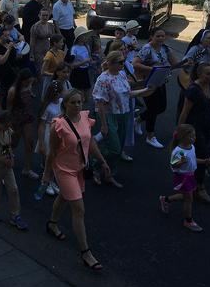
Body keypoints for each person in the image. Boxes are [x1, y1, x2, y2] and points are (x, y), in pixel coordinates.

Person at [45, 89, 109, 270]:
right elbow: (53, 152)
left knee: (64, 197)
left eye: (80, 102)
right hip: (64, 170)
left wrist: (102, 161)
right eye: (73, 102)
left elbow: (90, 143)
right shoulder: (58, 125)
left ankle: (52, 223)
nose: (78, 105)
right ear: (65, 104)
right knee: (79, 209)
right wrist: (47, 175)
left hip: (80, 168)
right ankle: (85, 253)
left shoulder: (84, 117)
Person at [92, 51, 153, 187]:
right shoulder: (103, 79)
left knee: (118, 150)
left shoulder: (121, 74)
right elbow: (100, 103)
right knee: (114, 147)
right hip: (110, 115)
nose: (123, 64)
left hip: (123, 114)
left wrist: (145, 91)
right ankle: (96, 165)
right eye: (120, 62)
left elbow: (127, 94)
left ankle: (110, 174)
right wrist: (103, 125)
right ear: (111, 63)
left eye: (123, 61)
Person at [134, 28, 189, 149]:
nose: (161, 39)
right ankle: (150, 136)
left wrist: (186, 63)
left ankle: (138, 119)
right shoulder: (147, 49)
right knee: (153, 109)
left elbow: (174, 64)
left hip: (161, 82)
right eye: (158, 36)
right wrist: (153, 69)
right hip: (149, 82)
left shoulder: (165, 48)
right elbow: (135, 63)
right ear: (152, 36)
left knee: (161, 107)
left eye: (163, 36)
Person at [177, 62, 210, 203]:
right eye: (208, 73)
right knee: (202, 154)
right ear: (200, 74)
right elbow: (184, 111)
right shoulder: (194, 90)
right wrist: (179, 130)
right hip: (195, 128)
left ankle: (194, 182)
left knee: (206, 153)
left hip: (207, 126)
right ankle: (200, 187)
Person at [0, 111, 29, 230]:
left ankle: (15, 215)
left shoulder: (6, 130)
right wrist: (1, 159)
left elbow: (6, 146)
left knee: (13, 189)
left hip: (6, 164)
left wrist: (10, 157)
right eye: (6, 125)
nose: (8, 128)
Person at [159, 124, 210, 232]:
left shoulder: (191, 147)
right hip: (183, 177)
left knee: (185, 196)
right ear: (182, 137)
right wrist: (181, 162)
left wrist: (203, 161)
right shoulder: (178, 151)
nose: (194, 138)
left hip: (190, 175)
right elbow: (173, 165)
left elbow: (193, 158)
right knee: (189, 199)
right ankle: (188, 220)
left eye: (194, 136)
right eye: (191, 136)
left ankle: (165, 199)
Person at [34, 80, 64, 200]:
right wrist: (41, 142)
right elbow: (41, 125)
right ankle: (46, 182)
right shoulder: (48, 107)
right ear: (56, 94)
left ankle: (51, 181)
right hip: (48, 133)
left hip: (59, 132)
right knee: (49, 160)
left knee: (56, 159)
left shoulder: (62, 103)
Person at [7, 68, 38, 178]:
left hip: (27, 118)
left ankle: (27, 168)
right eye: (27, 81)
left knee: (29, 143)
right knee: (12, 143)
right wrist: (9, 123)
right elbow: (9, 107)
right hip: (16, 119)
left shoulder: (28, 86)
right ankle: (4, 163)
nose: (29, 83)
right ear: (22, 80)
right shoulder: (13, 91)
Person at [0, 29, 18, 108]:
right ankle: (3, 110)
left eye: (8, 35)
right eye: (5, 36)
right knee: (4, 93)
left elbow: (14, 57)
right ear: (0, 36)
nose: (8, 37)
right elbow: (1, 61)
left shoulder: (9, 44)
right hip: (2, 74)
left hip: (12, 73)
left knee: (13, 92)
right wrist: (9, 49)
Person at [68, 27, 92, 102]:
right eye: (84, 36)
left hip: (85, 71)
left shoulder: (86, 46)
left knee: (88, 93)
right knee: (79, 94)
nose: (86, 37)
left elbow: (89, 58)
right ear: (79, 37)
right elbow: (72, 65)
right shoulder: (74, 48)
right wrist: (85, 61)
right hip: (78, 72)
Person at [41, 34, 65, 99]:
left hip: (60, 79)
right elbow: (42, 72)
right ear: (55, 43)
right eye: (61, 42)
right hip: (50, 80)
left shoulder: (62, 53)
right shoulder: (49, 55)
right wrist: (54, 75)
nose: (62, 44)